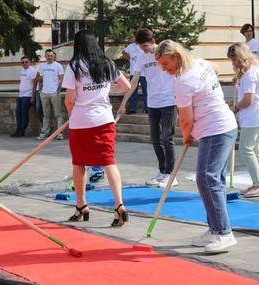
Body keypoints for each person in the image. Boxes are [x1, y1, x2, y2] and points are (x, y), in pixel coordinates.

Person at [155, 40, 239, 253]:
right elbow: (217, 68)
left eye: (166, 64)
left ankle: (223, 233)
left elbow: (185, 119)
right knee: (213, 180)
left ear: (176, 56)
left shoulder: (183, 81)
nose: (165, 70)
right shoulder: (199, 63)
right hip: (222, 125)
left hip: (216, 130)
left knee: (207, 179)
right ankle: (215, 229)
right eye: (161, 66)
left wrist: (186, 136)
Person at [63, 31, 132, 226]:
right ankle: (119, 205)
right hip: (104, 120)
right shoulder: (107, 63)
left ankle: (81, 204)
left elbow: (69, 99)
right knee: (108, 161)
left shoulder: (75, 66)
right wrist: (105, 90)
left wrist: (71, 113)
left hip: (81, 121)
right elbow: (126, 86)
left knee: (79, 163)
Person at [117, 29, 177, 188]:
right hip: (153, 102)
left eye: (145, 46)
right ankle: (162, 171)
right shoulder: (142, 57)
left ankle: (171, 175)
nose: (144, 49)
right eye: (141, 47)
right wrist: (124, 103)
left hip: (169, 100)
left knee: (167, 137)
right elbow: (134, 81)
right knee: (156, 139)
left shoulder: (166, 53)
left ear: (153, 41)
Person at [227, 42, 259, 198]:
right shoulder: (252, 69)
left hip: (253, 116)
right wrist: (238, 79)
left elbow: (248, 99)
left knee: (246, 149)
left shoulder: (251, 74)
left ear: (240, 58)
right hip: (257, 115)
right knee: (255, 149)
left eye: (234, 60)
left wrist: (235, 109)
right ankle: (258, 182)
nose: (233, 63)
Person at [36, 49, 66, 140]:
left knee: (58, 114)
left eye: (51, 56)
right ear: (45, 56)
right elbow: (38, 78)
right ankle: (44, 133)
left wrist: (58, 90)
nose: (50, 57)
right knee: (46, 115)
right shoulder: (42, 66)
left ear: (54, 56)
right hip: (44, 93)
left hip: (54, 93)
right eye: (48, 55)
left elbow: (61, 79)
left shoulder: (58, 66)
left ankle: (60, 134)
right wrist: (40, 88)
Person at [11, 56, 37, 137]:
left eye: (26, 62)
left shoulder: (32, 71)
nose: (24, 63)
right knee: (18, 112)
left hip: (28, 95)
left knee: (24, 113)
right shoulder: (22, 70)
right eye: (23, 62)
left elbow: (34, 84)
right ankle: (18, 129)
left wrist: (33, 96)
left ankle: (22, 130)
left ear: (29, 62)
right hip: (21, 95)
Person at [122, 31, 147, 113]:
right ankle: (133, 109)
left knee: (146, 90)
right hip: (133, 71)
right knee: (132, 91)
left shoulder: (144, 45)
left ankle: (148, 108)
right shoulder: (131, 46)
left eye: (133, 36)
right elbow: (123, 52)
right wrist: (129, 59)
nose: (132, 38)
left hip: (144, 72)